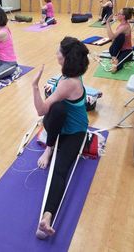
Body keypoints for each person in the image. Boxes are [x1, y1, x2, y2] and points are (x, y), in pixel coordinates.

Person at [32, 37, 89, 239]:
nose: (56, 54)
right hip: (61, 126)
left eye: (59, 52)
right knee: (57, 108)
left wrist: (35, 86)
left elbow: (40, 110)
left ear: (66, 59)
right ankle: (50, 147)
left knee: (60, 170)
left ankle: (47, 217)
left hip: (75, 132)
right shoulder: (72, 74)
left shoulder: (67, 83)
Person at [106, 7, 134, 73]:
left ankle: (115, 58)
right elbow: (113, 39)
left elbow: (111, 37)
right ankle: (114, 57)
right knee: (115, 42)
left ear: (123, 16)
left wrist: (108, 22)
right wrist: (113, 49)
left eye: (119, 13)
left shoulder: (125, 27)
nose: (117, 14)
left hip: (127, 51)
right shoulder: (121, 25)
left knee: (114, 69)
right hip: (119, 50)